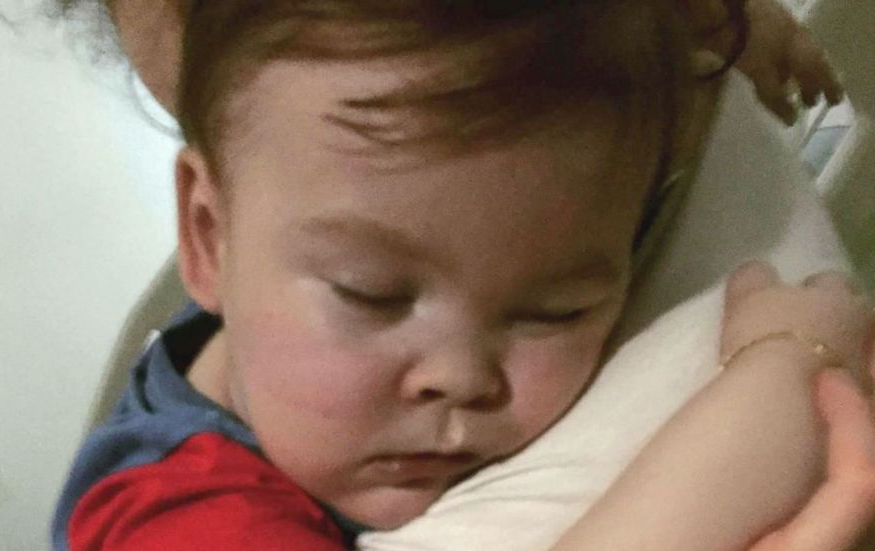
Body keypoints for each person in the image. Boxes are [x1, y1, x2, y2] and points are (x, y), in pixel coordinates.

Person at [50, 1, 875, 550]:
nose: (462, 377)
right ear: (207, 237)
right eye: (372, 294)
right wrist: (781, 378)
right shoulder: (179, 519)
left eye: (556, 310)